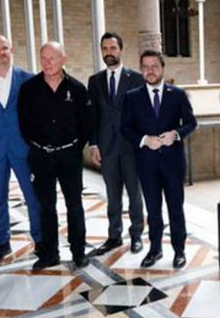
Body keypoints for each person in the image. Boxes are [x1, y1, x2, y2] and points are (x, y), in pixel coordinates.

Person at [18, 41, 93, 270]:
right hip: (41, 157)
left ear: (63, 59)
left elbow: (86, 124)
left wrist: (72, 147)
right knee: (46, 206)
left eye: (52, 58)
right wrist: (39, 145)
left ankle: (78, 251)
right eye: (44, 58)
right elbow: (24, 124)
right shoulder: (29, 88)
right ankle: (50, 253)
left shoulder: (78, 89)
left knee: (74, 205)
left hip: (69, 157)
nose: (47, 63)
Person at [121, 50, 197, 269]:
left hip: (173, 163)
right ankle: (155, 250)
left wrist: (176, 134)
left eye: (154, 66)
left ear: (163, 68)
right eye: (145, 66)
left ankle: (179, 251)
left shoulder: (178, 94)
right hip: (146, 163)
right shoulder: (132, 97)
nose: (150, 71)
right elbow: (126, 128)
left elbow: (191, 122)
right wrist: (145, 139)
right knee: (153, 209)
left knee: (175, 208)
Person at [0, 34, 41, 263]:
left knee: (32, 196)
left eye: (5, 48)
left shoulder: (28, 79)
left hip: (22, 147)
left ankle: (40, 240)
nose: (1, 53)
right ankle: (2, 242)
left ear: (11, 49)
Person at [88, 32, 146, 256]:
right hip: (107, 148)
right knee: (112, 196)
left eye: (113, 48)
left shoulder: (137, 79)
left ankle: (137, 235)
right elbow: (93, 116)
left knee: (134, 194)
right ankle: (114, 236)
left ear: (121, 50)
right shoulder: (95, 81)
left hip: (132, 148)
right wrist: (94, 145)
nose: (109, 53)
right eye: (105, 49)